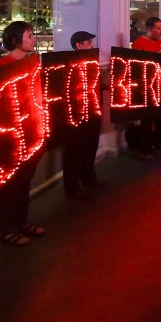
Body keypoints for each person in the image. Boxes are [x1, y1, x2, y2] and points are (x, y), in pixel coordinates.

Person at [0, 21, 46, 246]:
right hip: (13, 135)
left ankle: (22, 221)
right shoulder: (3, 66)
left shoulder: (30, 63)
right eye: (30, 35)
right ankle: (8, 228)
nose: (34, 39)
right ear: (16, 39)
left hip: (30, 131)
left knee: (25, 181)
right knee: (11, 185)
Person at [62, 30, 107, 198]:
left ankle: (89, 177)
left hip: (93, 110)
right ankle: (72, 186)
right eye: (88, 42)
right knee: (75, 150)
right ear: (78, 45)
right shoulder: (70, 64)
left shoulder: (91, 62)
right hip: (78, 114)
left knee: (90, 145)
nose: (92, 45)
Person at [131, 17, 161, 160]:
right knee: (147, 119)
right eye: (158, 28)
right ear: (149, 29)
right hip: (147, 86)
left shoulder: (160, 41)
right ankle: (145, 149)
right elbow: (137, 63)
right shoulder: (139, 43)